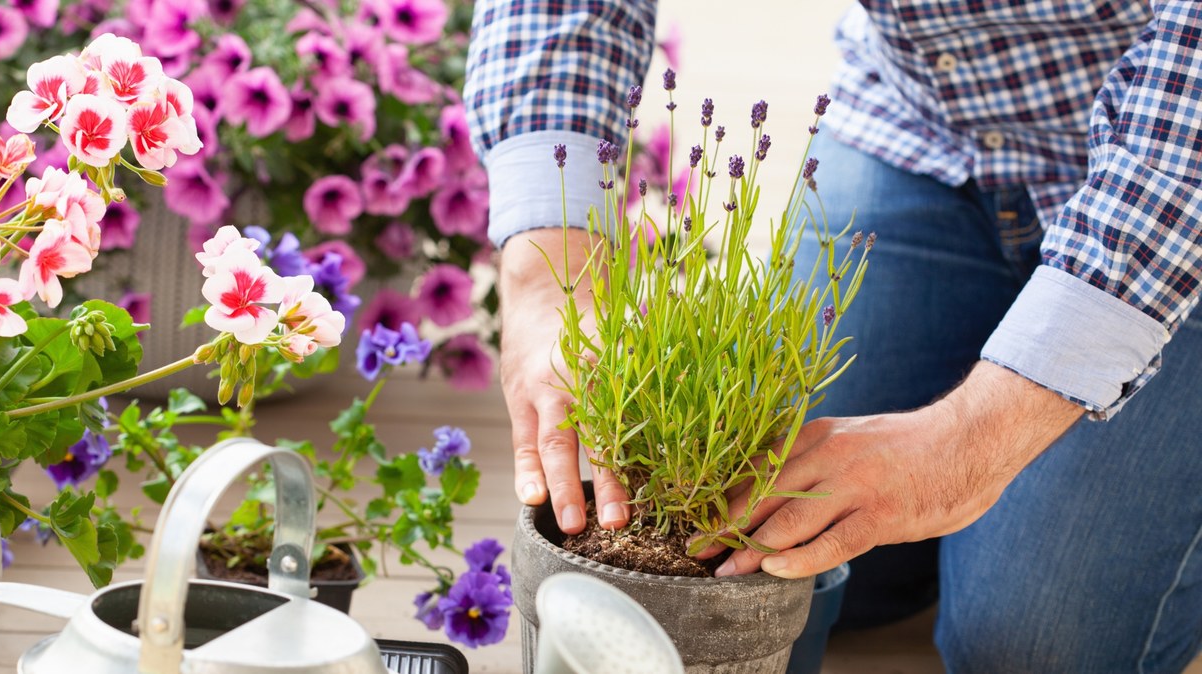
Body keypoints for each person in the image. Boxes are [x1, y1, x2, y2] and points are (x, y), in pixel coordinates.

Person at [461, 2, 1202, 671]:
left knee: (1033, 648)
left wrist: (977, 436)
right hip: (930, 121)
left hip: (1172, 198)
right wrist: (541, 272)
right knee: (798, 545)